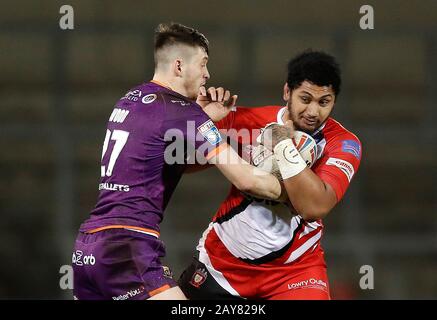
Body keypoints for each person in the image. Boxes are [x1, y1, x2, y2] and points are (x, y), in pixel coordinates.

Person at [72, 23, 284, 300]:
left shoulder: (130, 100)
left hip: (88, 247)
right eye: (203, 64)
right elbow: (246, 179)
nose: (208, 74)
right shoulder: (182, 112)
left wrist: (204, 118)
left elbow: (160, 158)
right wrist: (291, 183)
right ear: (180, 66)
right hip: (127, 246)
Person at [178, 50, 362, 300]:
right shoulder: (250, 120)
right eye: (305, 99)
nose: (312, 111)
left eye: (324, 102)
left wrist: (284, 146)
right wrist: (201, 119)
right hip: (223, 265)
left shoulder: (343, 144)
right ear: (287, 92)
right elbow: (180, 163)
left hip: (296, 272)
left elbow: (314, 207)